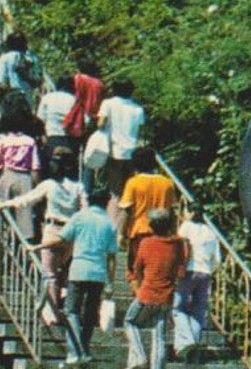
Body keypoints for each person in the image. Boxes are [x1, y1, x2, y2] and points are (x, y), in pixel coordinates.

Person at [4, 147, 87, 355]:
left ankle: (50, 312)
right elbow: (84, 211)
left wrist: (7, 203)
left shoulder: (49, 184)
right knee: (61, 273)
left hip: (52, 228)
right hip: (70, 232)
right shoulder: (78, 187)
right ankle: (63, 308)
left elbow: (29, 199)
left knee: (49, 273)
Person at [33, 188, 117, 366]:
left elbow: (61, 238)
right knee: (90, 314)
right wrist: (110, 282)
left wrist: (37, 247)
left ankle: (74, 351)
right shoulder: (110, 224)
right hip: (99, 273)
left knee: (72, 311)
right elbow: (111, 257)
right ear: (106, 203)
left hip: (78, 270)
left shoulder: (79, 217)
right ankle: (85, 350)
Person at [124, 208, 188, 369]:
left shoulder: (146, 243)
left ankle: (140, 355)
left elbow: (136, 270)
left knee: (130, 321)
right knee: (159, 338)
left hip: (146, 295)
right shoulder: (179, 244)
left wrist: (133, 277)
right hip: (166, 297)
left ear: (151, 226)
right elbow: (182, 271)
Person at [175, 206, 222, 360]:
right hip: (206, 272)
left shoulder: (186, 227)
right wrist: (209, 269)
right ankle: (192, 347)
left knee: (176, 307)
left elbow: (179, 249)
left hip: (189, 271)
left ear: (191, 213)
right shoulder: (210, 231)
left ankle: (186, 340)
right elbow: (218, 259)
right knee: (198, 310)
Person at [117, 147, 176, 265]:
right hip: (162, 234)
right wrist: (173, 234)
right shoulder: (167, 183)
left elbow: (126, 211)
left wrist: (120, 234)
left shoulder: (133, 183)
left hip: (140, 232)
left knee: (137, 273)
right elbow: (172, 212)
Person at [0, 113, 43, 237]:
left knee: (1, 208)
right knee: (24, 212)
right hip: (24, 176)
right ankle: (23, 242)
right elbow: (35, 166)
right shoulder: (30, 141)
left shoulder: (4, 140)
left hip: (7, 174)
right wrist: (36, 184)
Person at [96, 77, 147, 205]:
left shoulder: (108, 103)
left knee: (114, 190)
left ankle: (115, 216)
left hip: (114, 150)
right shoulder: (138, 109)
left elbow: (101, 124)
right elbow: (141, 132)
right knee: (129, 187)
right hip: (132, 152)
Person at [37, 75, 78, 162]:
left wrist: (42, 136)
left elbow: (40, 119)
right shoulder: (73, 100)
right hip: (68, 139)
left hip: (50, 137)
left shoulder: (47, 98)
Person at [0, 33, 44, 102]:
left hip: (11, 98)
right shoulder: (33, 57)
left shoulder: (4, 58)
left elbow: (1, 81)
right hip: (28, 97)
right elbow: (39, 78)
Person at [64, 60, 105, 144]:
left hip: (76, 116)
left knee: (73, 146)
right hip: (92, 118)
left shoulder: (76, 79)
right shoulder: (99, 84)